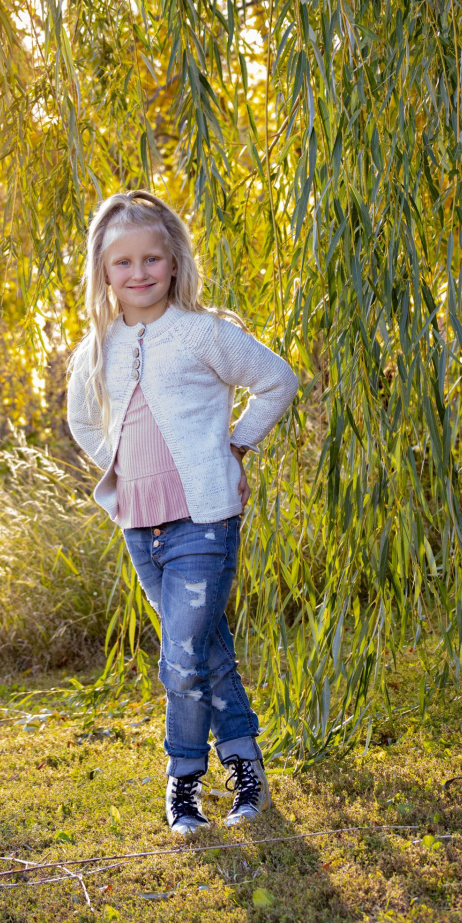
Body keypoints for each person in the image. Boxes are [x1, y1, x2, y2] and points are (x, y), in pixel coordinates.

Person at [66, 190, 297, 835]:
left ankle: (184, 780)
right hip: (140, 525)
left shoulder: (202, 332)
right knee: (204, 650)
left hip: (204, 519)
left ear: (174, 262)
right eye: (123, 262)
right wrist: (118, 463)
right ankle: (247, 766)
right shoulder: (97, 347)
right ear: (103, 271)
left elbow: (278, 380)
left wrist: (238, 445)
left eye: (151, 259)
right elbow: (82, 420)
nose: (138, 273)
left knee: (181, 656)